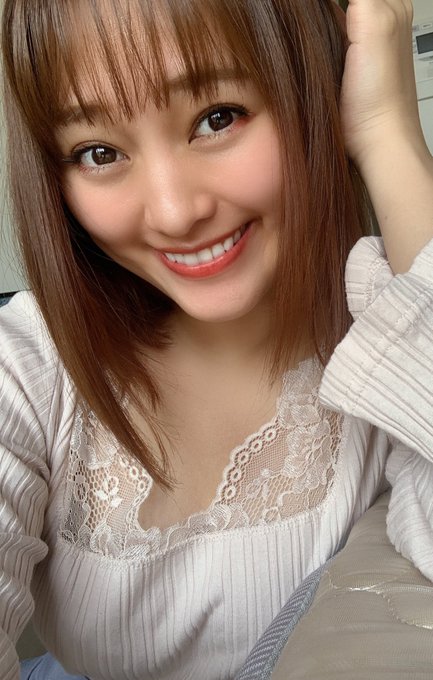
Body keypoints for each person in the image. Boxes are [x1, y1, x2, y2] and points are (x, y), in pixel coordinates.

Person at [0, 0, 432, 678]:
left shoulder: (392, 341)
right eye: (99, 152)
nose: (175, 212)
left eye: (218, 118)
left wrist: (386, 130)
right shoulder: (30, 362)